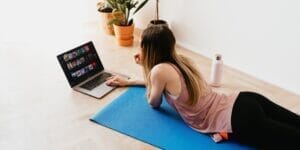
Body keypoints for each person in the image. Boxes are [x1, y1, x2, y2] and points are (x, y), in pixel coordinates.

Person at [106, 25, 300, 148]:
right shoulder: (179, 60)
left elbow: (153, 102)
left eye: (142, 46)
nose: (139, 49)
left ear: (150, 50)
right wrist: (129, 81)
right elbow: (162, 85)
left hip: (237, 119)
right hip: (245, 100)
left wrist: (145, 68)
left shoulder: (157, 71)